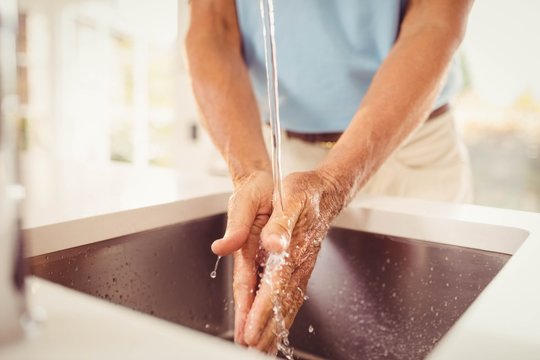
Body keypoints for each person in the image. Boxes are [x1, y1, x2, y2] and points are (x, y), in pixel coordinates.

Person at [186, 0, 474, 354]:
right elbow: (213, 30)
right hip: (287, 158)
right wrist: (251, 173)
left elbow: (434, 23)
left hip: (410, 145)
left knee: (434, 338)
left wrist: (335, 181)